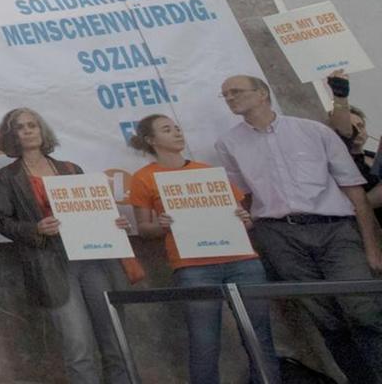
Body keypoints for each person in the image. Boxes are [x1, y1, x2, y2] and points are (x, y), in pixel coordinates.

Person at [215, 74, 382, 383]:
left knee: (364, 310)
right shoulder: (229, 143)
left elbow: (354, 191)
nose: (230, 98)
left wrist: (371, 248)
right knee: (325, 317)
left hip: (334, 229)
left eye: (236, 91)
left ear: (262, 93)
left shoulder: (313, 131)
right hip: (279, 234)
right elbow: (242, 194)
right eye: (225, 95)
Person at [125, 114, 276, 384]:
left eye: (177, 128)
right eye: (167, 129)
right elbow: (144, 229)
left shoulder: (208, 171)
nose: (176, 133)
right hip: (193, 266)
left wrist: (245, 219)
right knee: (204, 340)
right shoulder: (144, 178)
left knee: (259, 336)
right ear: (150, 140)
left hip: (241, 260)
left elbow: (243, 216)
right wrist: (162, 225)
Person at [0, 108, 130, 384]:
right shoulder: (8, 176)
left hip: (92, 260)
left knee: (114, 339)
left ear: (43, 132)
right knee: (78, 347)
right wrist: (35, 229)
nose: (29, 130)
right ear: (12, 135)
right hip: (50, 264)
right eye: (20, 127)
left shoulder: (70, 168)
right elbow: (2, 221)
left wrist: (113, 223)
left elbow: (94, 211)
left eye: (33, 125)